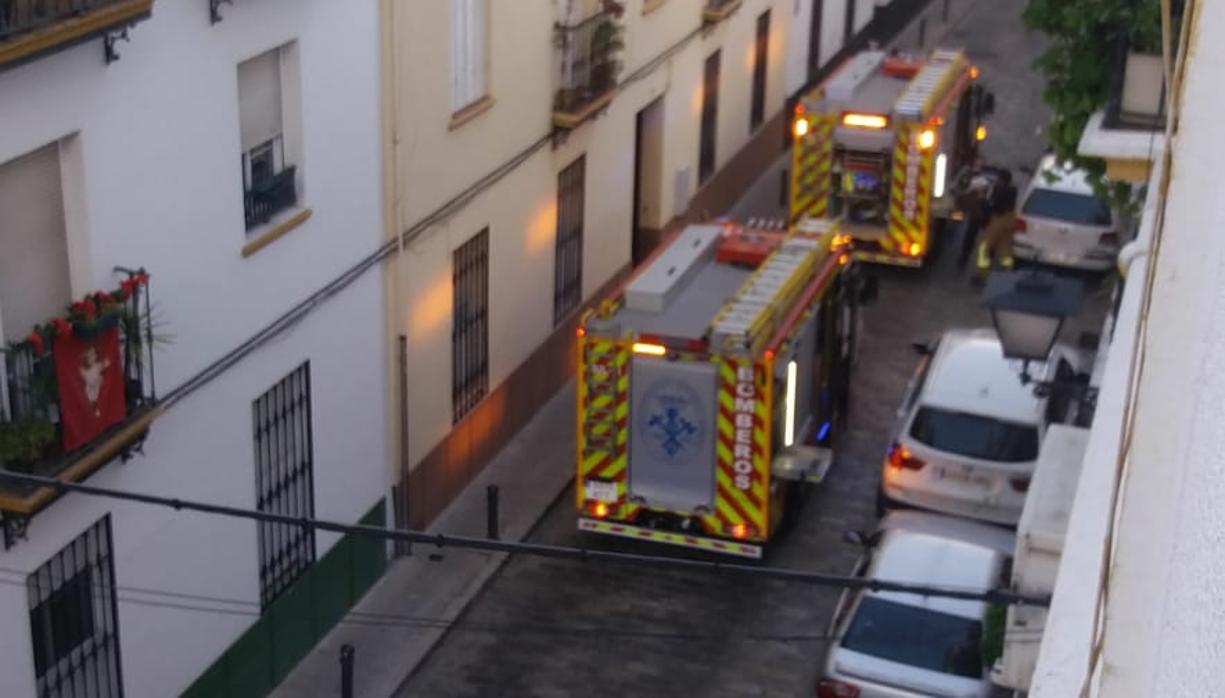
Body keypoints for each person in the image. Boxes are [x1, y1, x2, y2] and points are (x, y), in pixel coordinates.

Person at [974, 168, 1019, 283]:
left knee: (984, 246)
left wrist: (983, 199)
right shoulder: (1013, 190)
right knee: (1005, 249)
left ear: (1002, 179)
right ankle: (1008, 273)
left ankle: (982, 275)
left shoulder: (999, 190)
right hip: (1010, 220)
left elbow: (994, 206)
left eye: (998, 178)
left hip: (999, 220)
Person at [953, 158, 994, 269]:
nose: (978, 167)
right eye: (977, 164)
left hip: (978, 212)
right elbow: (960, 188)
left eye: (980, 165)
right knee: (970, 235)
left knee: (973, 235)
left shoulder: (984, 180)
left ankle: (966, 257)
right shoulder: (968, 175)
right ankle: (965, 257)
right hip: (972, 210)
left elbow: (988, 196)